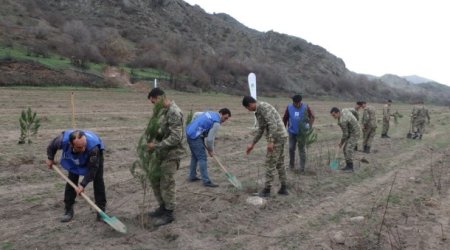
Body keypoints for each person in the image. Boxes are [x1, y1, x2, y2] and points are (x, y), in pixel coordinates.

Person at [46, 130, 106, 223]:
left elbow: (92, 170)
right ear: (71, 144)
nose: (83, 149)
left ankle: (101, 212)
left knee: (98, 181)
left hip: (94, 156)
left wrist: (82, 185)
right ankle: (68, 210)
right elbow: (51, 146)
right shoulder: (62, 140)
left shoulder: (93, 148)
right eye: (79, 147)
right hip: (74, 156)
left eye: (84, 145)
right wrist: (50, 158)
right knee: (72, 179)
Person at [146, 87, 185, 227]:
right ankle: (162, 207)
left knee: (167, 182)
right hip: (162, 152)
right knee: (155, 179)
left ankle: (169, 212)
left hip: (173, 153)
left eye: (153, 102)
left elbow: (176, 138)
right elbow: (163, 131)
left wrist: (155, 146)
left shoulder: (174, 112)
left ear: (161, 97)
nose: (153, 105)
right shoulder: (164, 111)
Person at [242, 96, 289, 197]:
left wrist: (271, 141)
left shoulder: (263, 107)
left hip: (277, 137)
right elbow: (261, 129)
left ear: (250, 104)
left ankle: (267, 190)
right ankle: (284, 188)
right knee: (279, 163)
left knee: (270, 162)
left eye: (247, 108)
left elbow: (273, 125)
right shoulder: (259, 111)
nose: (248, 110)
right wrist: (252, 144)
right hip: (280, 136)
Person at [186, 108, 231, 187]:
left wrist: (194, 126)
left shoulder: (210, 113)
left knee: (195, 156)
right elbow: (210, 140)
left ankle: (192, 176)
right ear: (221, 114)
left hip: (189, 132)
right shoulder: (216, 123)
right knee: (202, 158)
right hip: (195, 136)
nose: (225, 120)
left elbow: (196, 114)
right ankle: (206, 181)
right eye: (225, 118)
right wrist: (211, 150)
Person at [282, 94, 315, 172]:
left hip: (302, 133)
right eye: (295, 103)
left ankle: (302, 168)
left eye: (298, 103)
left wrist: (309, 127)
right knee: (291, 148)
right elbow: (285, 118)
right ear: (293, 102)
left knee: (301, 149)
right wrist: (283, 128)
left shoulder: (306, 107)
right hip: (292, 131)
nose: (297, 104)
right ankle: (291, 165)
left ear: (301, 102)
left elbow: (312, 116)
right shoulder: (289, 107)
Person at [330, 107, 361, 172]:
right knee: (345, 149)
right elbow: (354, 110)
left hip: (355, 133)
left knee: (348, 149)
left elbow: (345, 134)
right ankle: (348, 165)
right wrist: (357, 119)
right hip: (352, 131)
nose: (333, 117)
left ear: (338, 112)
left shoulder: (342, 121)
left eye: (334, 115)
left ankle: (350, 167)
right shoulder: (345, 110)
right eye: (332, 115)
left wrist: (341, 143)